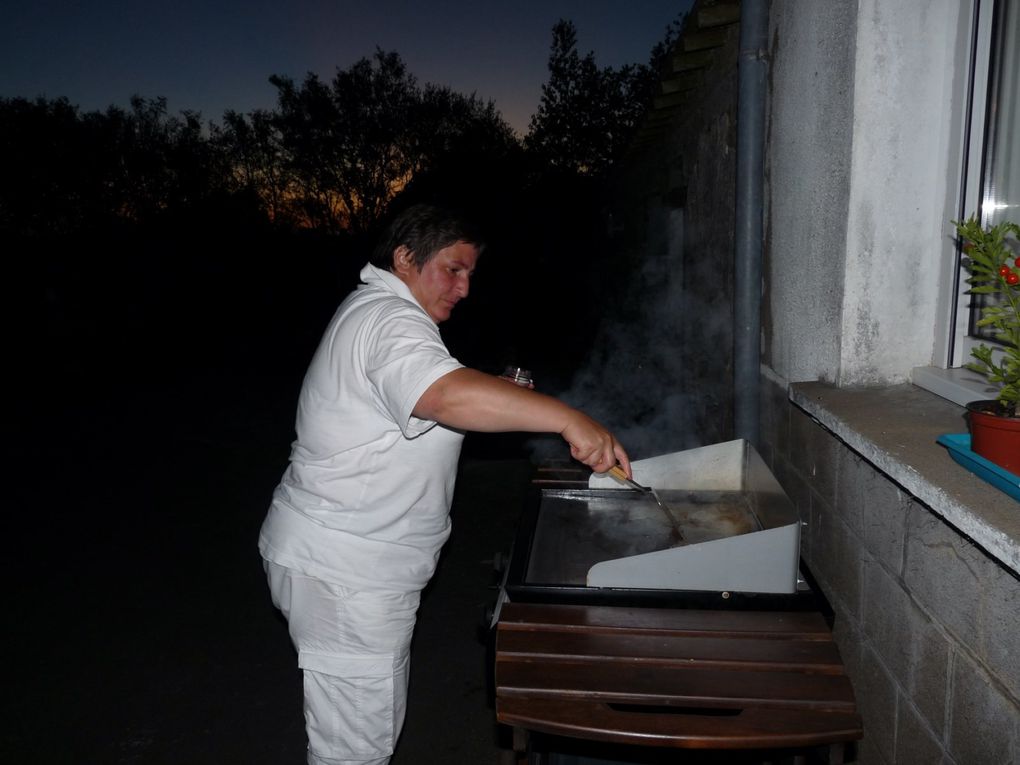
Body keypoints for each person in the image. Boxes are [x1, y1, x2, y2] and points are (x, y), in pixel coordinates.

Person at [258, 203, 631, 765]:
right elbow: (443, 394)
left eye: (471, 274)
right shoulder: (390, 318)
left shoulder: (382, 314)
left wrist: (505, 398)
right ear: (405, 258)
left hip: (345, 561)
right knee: (353, 752)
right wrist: (566, 416)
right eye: (452, 269)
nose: (463, 288)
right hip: (347, 573)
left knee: (363, 730)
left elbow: (435, 396)